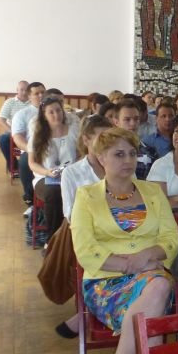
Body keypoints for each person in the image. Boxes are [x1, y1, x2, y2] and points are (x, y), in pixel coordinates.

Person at [71, 127, 178, 354]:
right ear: (101, 158)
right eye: (119, 154)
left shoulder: (152, 192)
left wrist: (149, 254)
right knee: (154, 308)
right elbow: (85, 250)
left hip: (151, 275)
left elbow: (171, 238)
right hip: (105, 283)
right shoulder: (86, 196)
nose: (128, 160)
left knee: (157, 289)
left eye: (132, 153)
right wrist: (132, 265)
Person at [55, 114, 113, 340]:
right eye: (101, 137)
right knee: (104, 255)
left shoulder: (117, 165)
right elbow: (70, 215)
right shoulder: (72, 172)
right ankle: (94, 311)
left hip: (120, 230)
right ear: (86, 140)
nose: (107, 142)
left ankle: (93, 314)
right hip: (89, 235)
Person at [28, 95, 80, 240]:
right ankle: (53, 239)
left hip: (71, 175)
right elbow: (32, 163)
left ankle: (75, 236)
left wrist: (72, 169)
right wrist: (47, 172)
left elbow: (81, 154)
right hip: (46, 177)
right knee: (54, 192)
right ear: (44, 116)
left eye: (58, 110)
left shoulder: (73, 130)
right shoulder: (38, 135)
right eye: (51, 112)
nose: (56, 115)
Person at [11, 82, 46, 206]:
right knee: (25, 160)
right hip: (32, 150)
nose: (41, 95)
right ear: (29, 96)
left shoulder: (54, 111)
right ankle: (30, 198)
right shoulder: (22, 115)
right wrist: (31, 150)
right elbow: (18, 138)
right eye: (37, 93)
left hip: (55, 149)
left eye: (43, 92)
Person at [116, 99, 155, 179]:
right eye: (127, 119)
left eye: (136, 119)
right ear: (116, 122)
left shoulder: (150, 151)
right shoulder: (108, 150)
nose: (133, 123)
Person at [0, 80, 29, 171]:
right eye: (21, 90)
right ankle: (14, 166)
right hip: (14, 132)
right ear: (17, 90)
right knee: (3, 139)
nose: (24, 92)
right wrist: (14, 132)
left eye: (26, 90)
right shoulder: (10, 102)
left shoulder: (33, 102)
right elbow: (1, 120)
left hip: (31, 133)